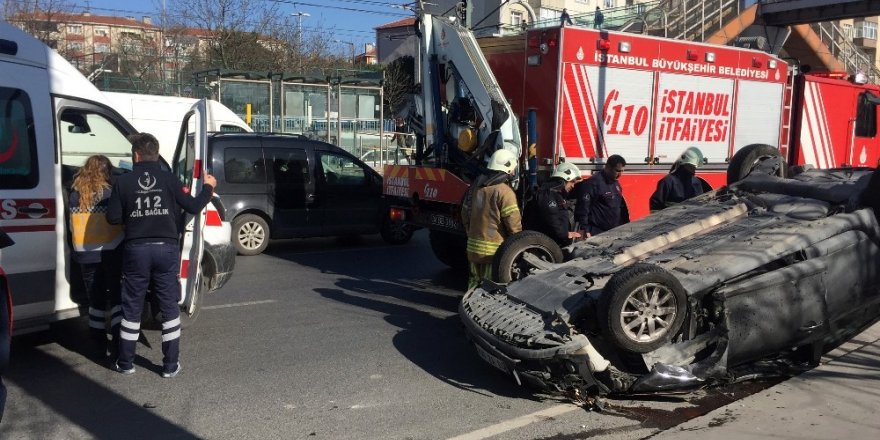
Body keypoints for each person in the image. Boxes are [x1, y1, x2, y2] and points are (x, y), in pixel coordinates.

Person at [107, 133, 217, 378]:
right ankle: (170, 366)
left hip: (136, 250)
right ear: (156, 154)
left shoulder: (123, 182)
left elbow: (113, 218)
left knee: (132, 307)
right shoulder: (169, 179)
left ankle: (125, 363)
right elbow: (192, 206)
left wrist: (134, 216)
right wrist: (208, 187)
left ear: (135, 155)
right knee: (169, 307)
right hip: (166, 250)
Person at [69, 154, 125, 358]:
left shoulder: (76, 194)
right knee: (117, 298)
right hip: (111, 252)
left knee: (96, 301)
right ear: (106, 171)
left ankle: (97, 344)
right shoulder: (110, 192)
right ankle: (119, 341)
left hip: (86, 256)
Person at [461, 149, 522, 290]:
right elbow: (513, 223)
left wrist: (470, 233)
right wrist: (517, 245)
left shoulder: (475, 188)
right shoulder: (504, 192)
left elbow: (464, 213)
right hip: (493, 251)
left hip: (472, 247)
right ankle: (481, 311)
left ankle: (469, 304)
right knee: (489, 285)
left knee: (474, 280)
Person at [524, 162, 583, 247]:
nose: (573, 186)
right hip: (543, 245)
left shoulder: (556, 194)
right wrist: (565, 234)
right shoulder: (547, 195)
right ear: (564, 179)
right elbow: (552, 219)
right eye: (572, 182)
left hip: (551, 242)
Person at [573, 154, 629, 237]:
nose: (620, 174)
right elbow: (583, 209)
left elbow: (620, 207)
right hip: (597, 232)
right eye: (617, 171)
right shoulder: (593, 183)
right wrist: (585, 229)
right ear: (608, 167)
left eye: (622, 171)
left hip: (614, 231)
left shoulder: (615, 183)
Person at [649, 147, 705, 212]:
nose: (693, 170)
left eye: (694, 167)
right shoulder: (668, 181)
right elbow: (655, 206)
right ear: (683, 165)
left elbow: (699, 205)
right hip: (671, 220)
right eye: (691, 167)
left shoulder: (696, 182)